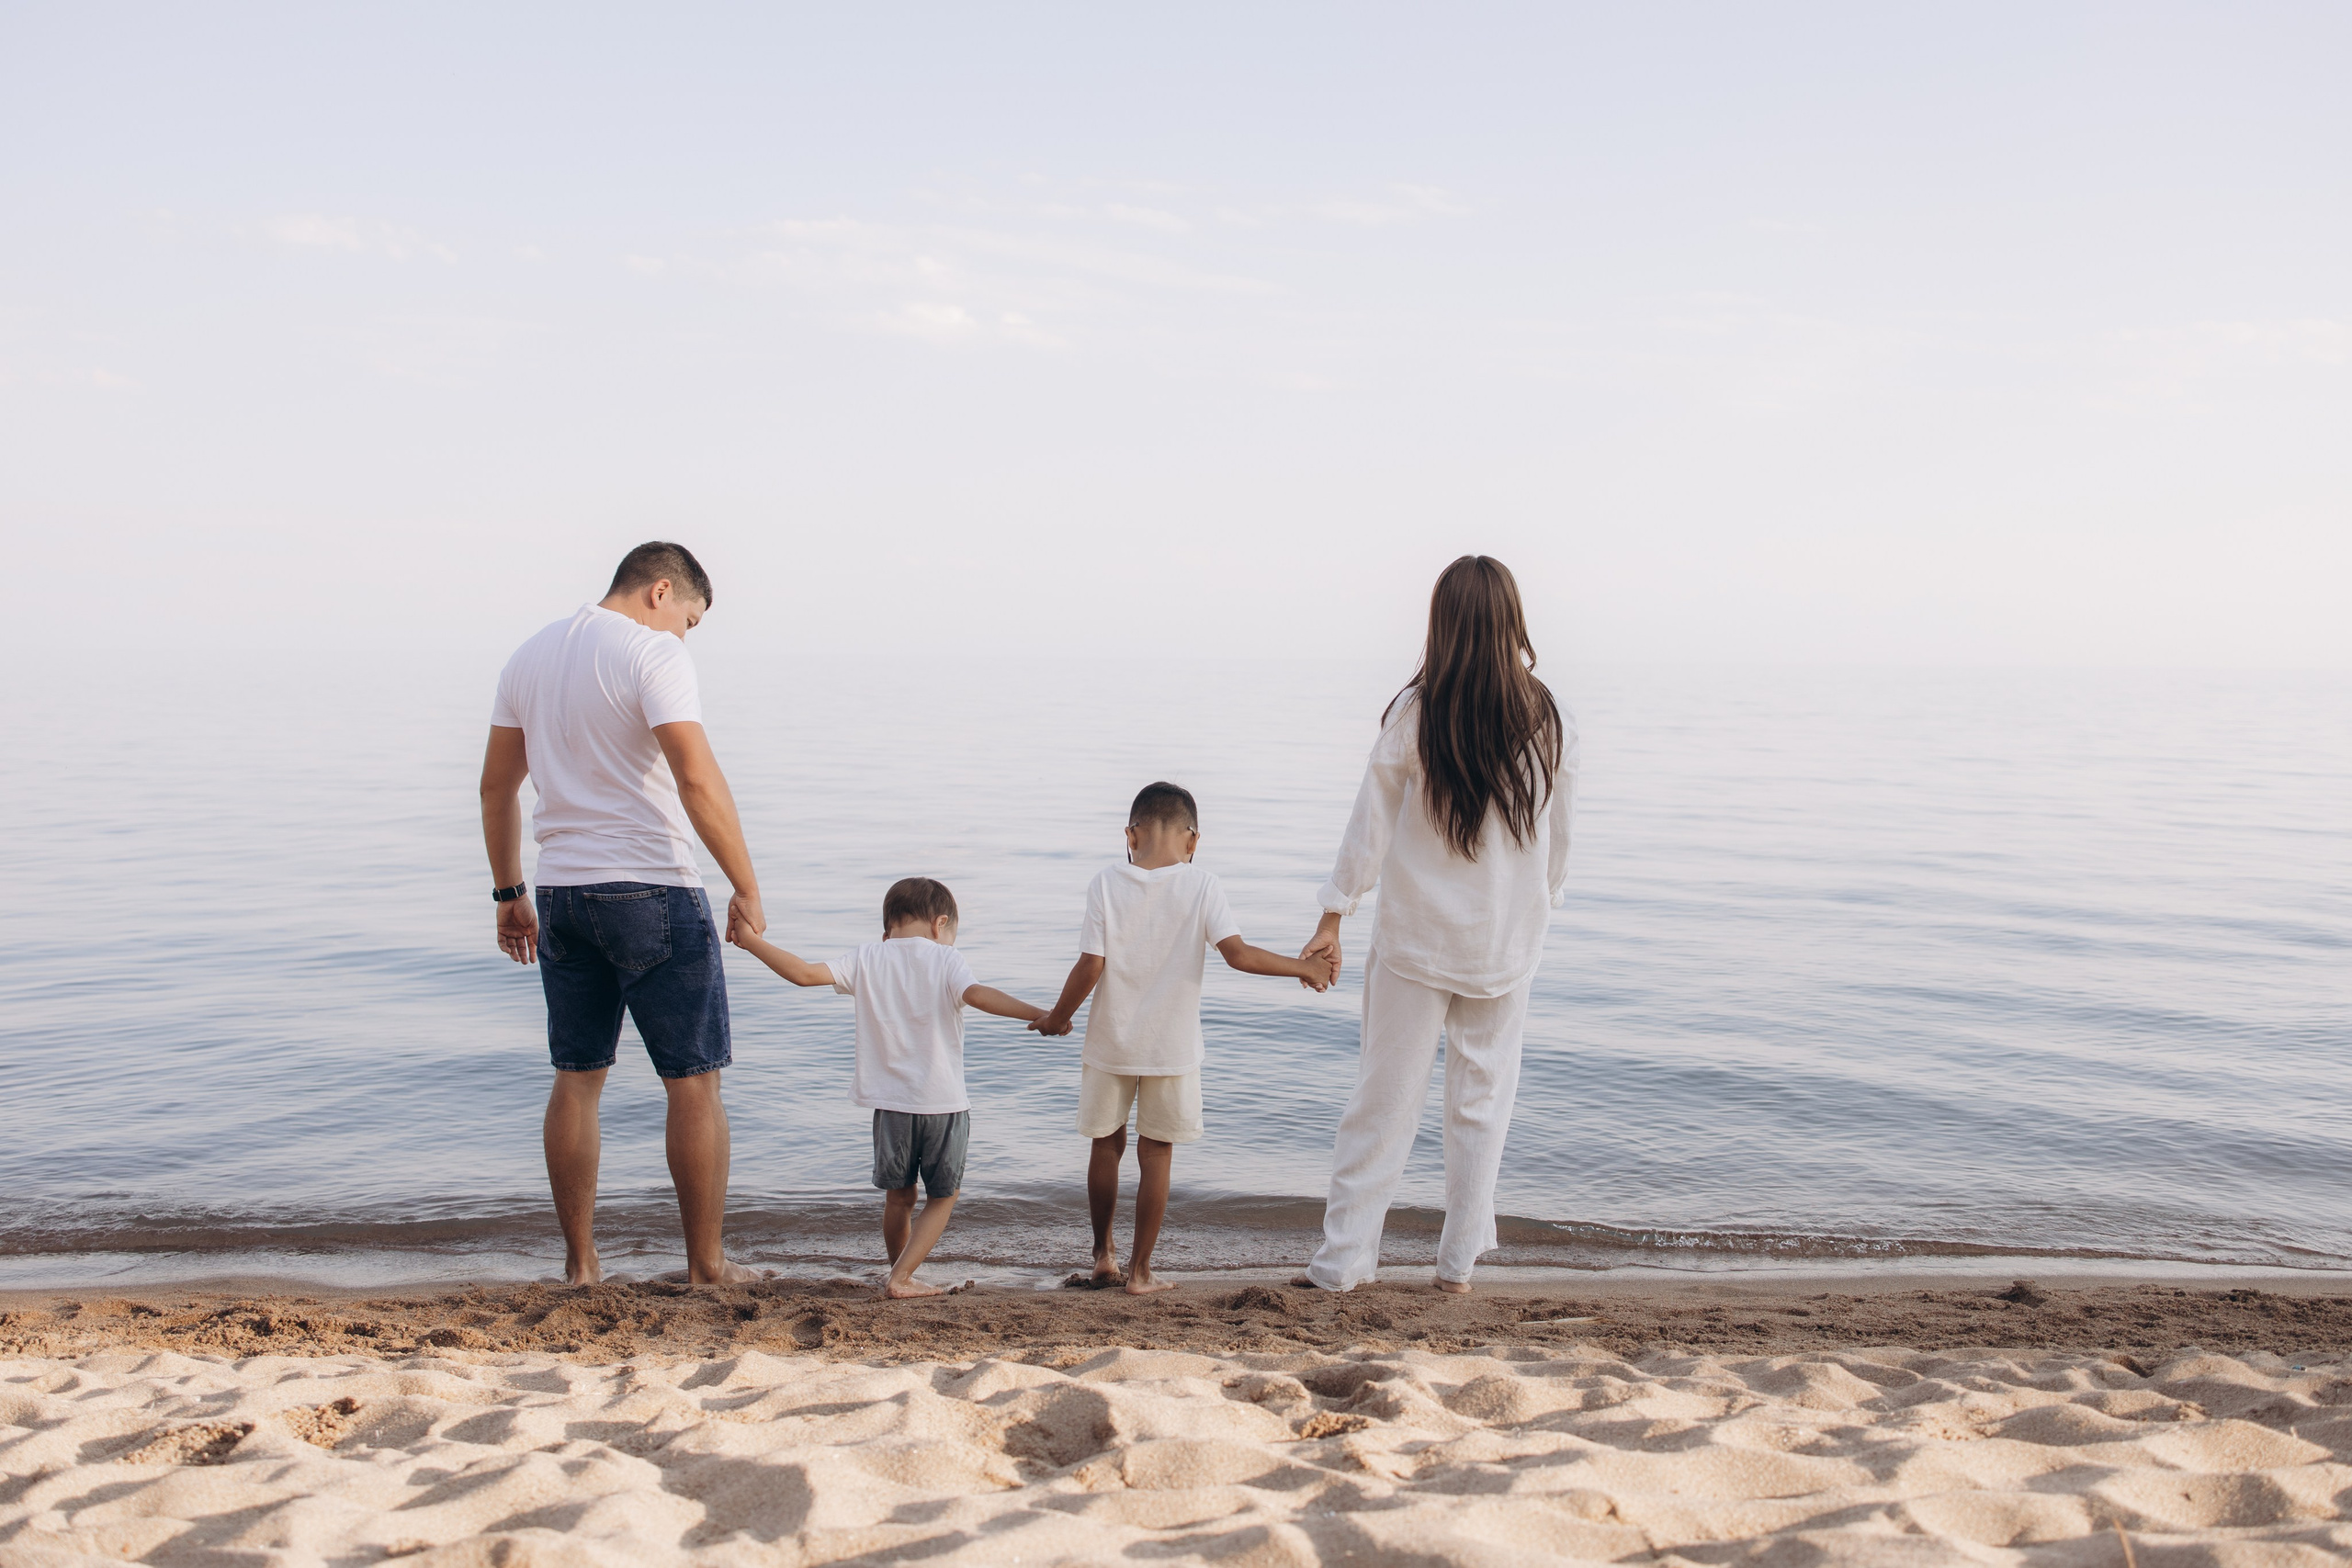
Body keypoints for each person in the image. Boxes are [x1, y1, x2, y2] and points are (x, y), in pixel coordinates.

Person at [480, 541, 766, 1287]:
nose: (685, 635)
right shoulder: (653, 654)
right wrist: (745, 882)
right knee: (694, 1083)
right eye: (690, 620)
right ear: (660, 592)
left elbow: (494, 788)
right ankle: (706, 1266)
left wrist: (509, 893)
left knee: (577, 1077)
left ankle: (580, 1265)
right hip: (651, 888)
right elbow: (696, 779)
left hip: (562, 896)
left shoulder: (529, 656)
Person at [1295, 556, 1577, 1294]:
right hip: (1504, 947)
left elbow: (1370, 826)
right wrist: (1536, 907)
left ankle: (1343, 1264)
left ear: (1443, 624)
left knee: (1382, 1104)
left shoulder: (1417, 711)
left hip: (1417, 943)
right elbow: (1559, 842)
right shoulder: (1551, 718)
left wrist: (1334, 912)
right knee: (1482, 1107)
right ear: (1512, 622)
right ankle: (1455, 1268)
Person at [1035, 783, 1340, 1294]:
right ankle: (1141, 1273)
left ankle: (1102, 1256)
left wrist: (1056, 1017)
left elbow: (1091, 965)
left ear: (1130, 835)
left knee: (1105, 1147)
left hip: (1110, 1042)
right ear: (1193, 840)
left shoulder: (1105, 883)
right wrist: (1303, 968)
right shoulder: (1202, 885)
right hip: (1171, 1049)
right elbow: (1238, 955)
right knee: (1157, 1154)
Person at [730, 876, 1051, 1297]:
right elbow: (977, 995)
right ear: (940, 925)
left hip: (892, 1108)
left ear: (887, 931)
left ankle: (900, 1273)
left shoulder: (869, 956)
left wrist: (751, 941)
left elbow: (804, 974)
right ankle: (902, 1278)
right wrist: (1040, 1014)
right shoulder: (946, 958)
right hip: (943, 1103)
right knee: (943, 1196)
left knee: (899, 1199)